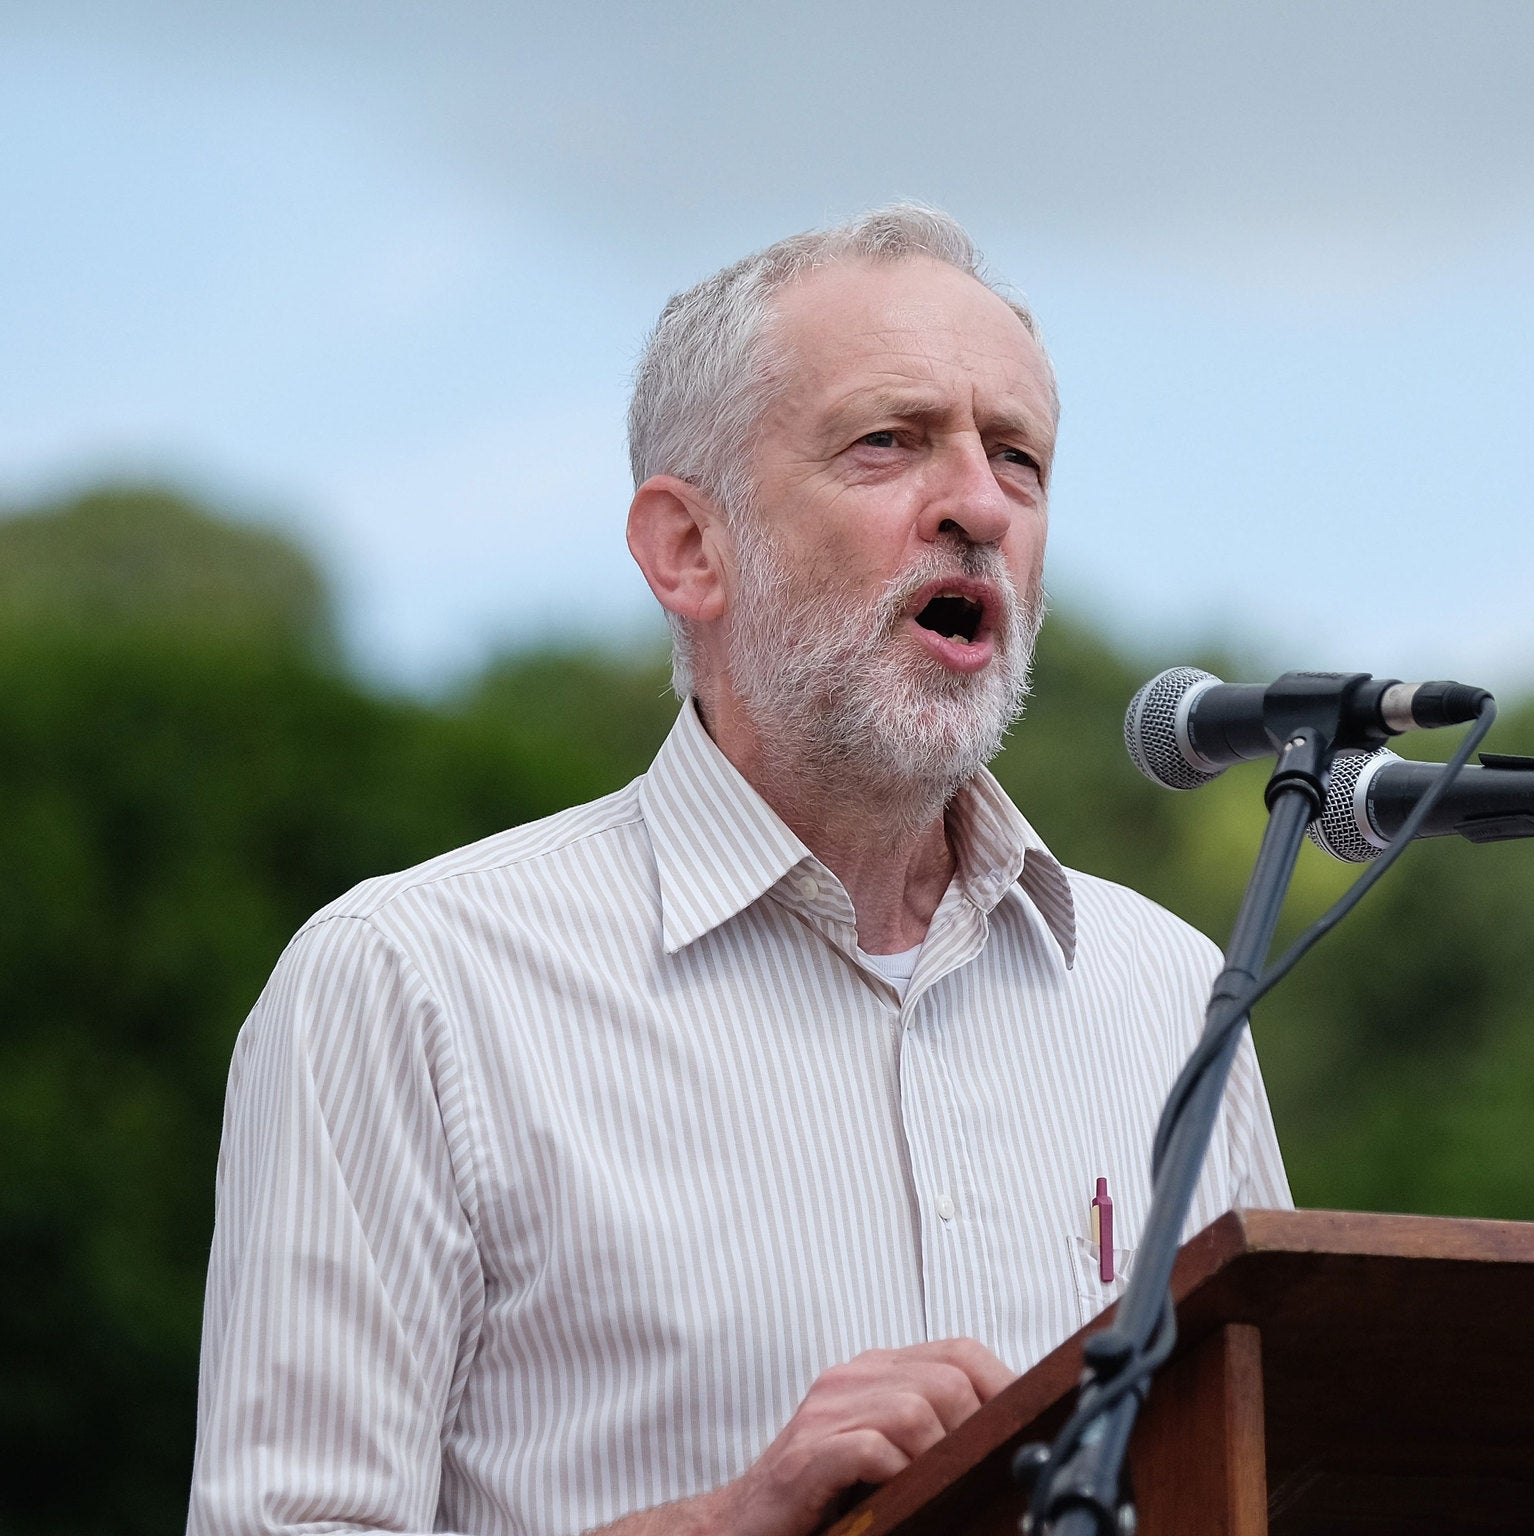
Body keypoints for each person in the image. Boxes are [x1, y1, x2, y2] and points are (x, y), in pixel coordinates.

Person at [188, 204, 1290, 1536]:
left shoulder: (1171, 994)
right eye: (890, 441)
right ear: (687, 549)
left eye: (1021, 459)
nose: (980, 505)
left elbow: (1280, 1482)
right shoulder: (409, 985)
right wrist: (734, 1523)